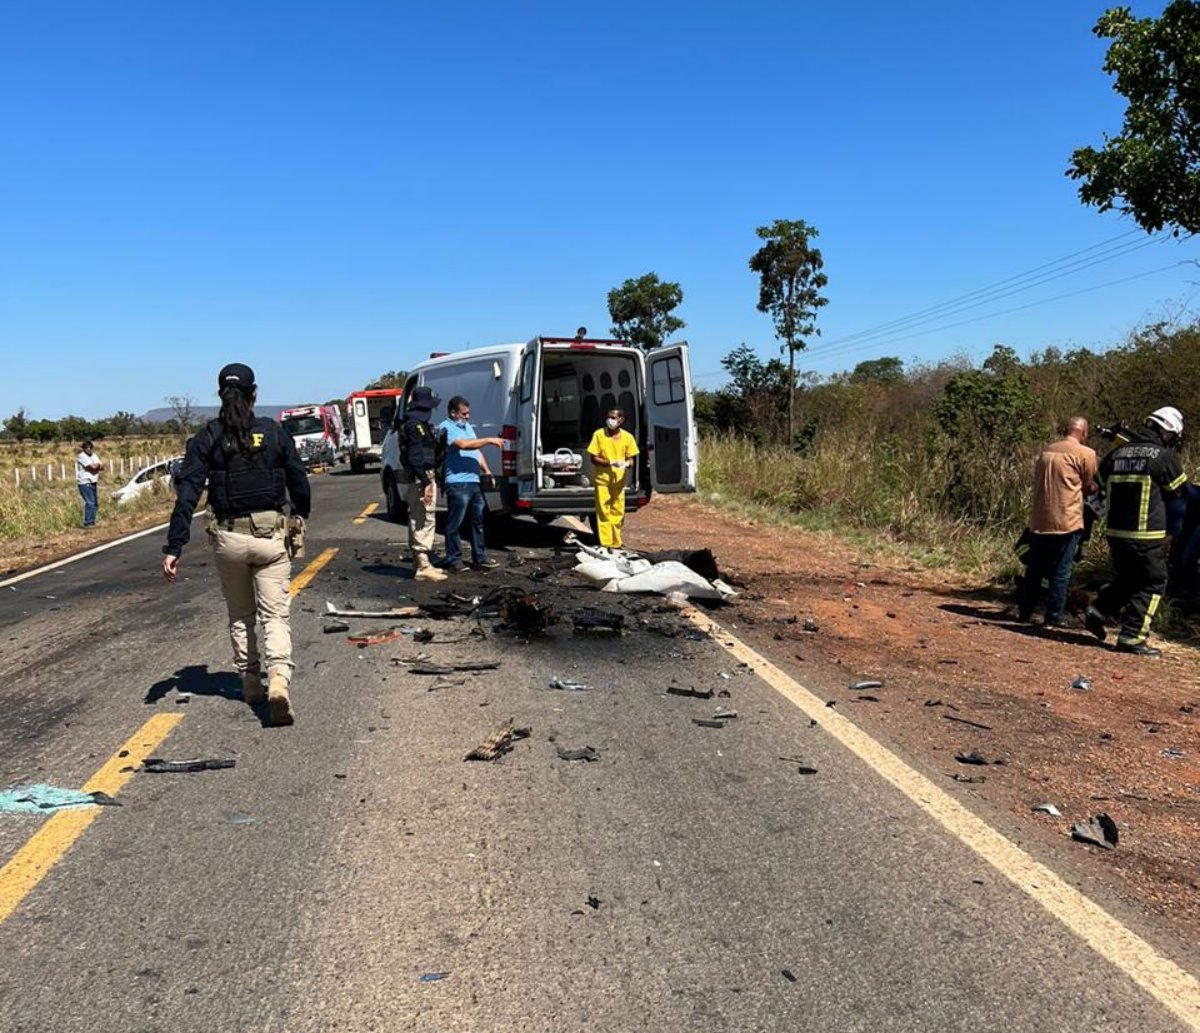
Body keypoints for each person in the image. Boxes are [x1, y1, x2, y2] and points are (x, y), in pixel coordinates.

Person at [162, 363, 311, 725]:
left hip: (228, 539)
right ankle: (277, 680)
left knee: (241, 616)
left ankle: (249, 682)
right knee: (275, 615)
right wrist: (301, 514)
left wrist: (174, 546)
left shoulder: (208, 438)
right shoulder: (274, 433)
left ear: (220, 395)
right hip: (270, 537)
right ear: (254, 393)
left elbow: (187, 495)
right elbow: (299, 482)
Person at [1085, 406, 1189, 657]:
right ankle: (1132, 637)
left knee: (1130, 578)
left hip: (1116, 534)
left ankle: (1097, 610)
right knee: (1153, 582)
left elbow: (1095, 488)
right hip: (1147, 535)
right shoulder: (1162, 457)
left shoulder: (1115, 454)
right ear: (1168, 432)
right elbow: (1181, 493)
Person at [1016, 417, 1098, 627]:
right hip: (1067, 520)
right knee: (1062, 570)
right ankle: (1054, 616)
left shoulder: (1046, 450)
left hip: (1040, 520)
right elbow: (1088, 485)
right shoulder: (1086, 454)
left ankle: (1024, 612)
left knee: (1034, 568)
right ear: (1084, 433)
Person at [436, 396, 505, 572]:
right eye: (464, 413)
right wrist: (489, 439)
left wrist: (487, 471)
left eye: (468, 413)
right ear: (453, 413)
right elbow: (463, 445)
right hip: (458, 483)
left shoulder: (467, 427)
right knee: (455, 523)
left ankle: (479, 558)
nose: (467, 417)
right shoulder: (446, 427)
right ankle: (454, 559)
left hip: (474, 482)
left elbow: (476, 451)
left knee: (477, 521)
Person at [398, 386, 447, 582]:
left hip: (420, 475)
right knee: (424, 518)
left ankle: (420, 562)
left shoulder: (414, 424)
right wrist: (426, 482)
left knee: (419, 517)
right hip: (421, 477)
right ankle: (423, 565)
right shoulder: (414, 426)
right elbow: (416, 456)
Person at [586, 408, 639, 551]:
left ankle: (616, 543)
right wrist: (609, 463)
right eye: (609, 417)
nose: (610, 420)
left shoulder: (627, 437)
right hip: (602, 480)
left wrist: (627, 464)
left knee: (618, 511)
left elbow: (631, 459)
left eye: (613, 418)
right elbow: (593, 457)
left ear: (621, 420)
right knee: (604, 511)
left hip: (619, 481)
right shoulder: (599, 434)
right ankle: (606, 543)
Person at [75, 440, 102, 527]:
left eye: (90, 448)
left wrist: (95, 467)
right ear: (84, 449)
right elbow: (92, 467)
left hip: (93, 481)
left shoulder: (94, 455)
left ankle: (92, 522)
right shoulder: (82, 456)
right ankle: (88, 522)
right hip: (85, 482)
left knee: (95, 503)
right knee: (90, 502)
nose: (89, 450)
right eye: (87, 448)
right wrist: (96, 466)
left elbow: (102, 466)